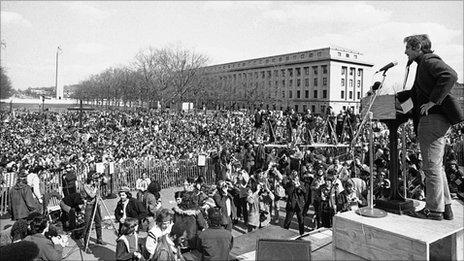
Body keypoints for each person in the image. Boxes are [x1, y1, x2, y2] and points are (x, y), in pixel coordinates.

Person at [398, 34, 462, 220]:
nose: (405, 51)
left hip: (433, 119)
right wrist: (395, 98)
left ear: (417, 47)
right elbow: (415, 93)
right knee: (437, 166)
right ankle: (446, 207)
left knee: (430, 167)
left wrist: (433, 102)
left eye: (408, 48)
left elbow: (450, 75)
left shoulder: (427, 60)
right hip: (435, 119)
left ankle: (433, 210)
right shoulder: (423, 64)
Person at [83, 172, 106, 246]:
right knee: (88, 224)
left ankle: (99, 239)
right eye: (94, 179)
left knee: (98, 221)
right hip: (89, 205)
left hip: (96, 204)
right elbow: (92, 195)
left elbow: (105, 182)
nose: (95, 181)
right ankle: (86, 242)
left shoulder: (95, 183)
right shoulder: (86, 186)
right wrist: (96, 187)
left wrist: (101, 177)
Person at [283, 171, 306, 235]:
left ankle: (302, 234)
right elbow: (289, 192)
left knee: (301, 220)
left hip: (299, 205)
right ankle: (284, 233)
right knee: (288, 221)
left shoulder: (301, 183)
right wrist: (293, 185)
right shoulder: (289, 184)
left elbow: (304, 192)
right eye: (294, 176)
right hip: (291, 204)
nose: (296, 178)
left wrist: (299, 186)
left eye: (297, 176)